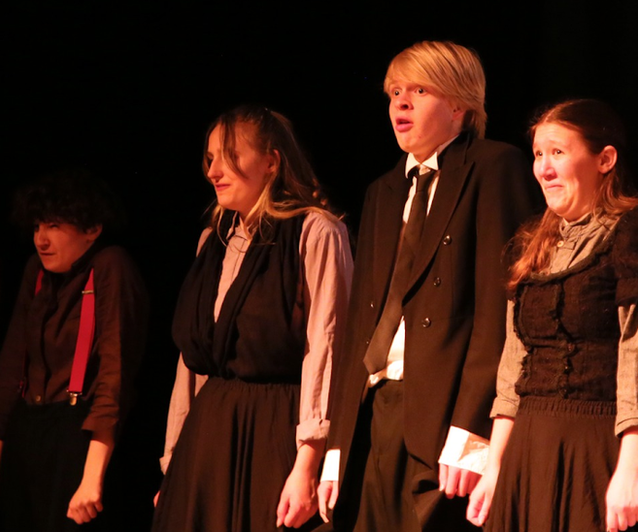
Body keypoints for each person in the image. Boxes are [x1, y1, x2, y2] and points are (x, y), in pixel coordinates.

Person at [318, 41, 538, 532]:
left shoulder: (493, 167)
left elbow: (499, 311)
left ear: (459, 104)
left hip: (442, 419)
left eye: (419, 89)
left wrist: (471, 432)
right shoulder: (383, 190)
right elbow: (360, 324)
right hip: (373, 414)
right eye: (395, 91)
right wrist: (337, 449)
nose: (401, 102)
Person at [467, 99, 638, 532]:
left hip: (599, 446)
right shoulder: (531, 243)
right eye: (538, 154)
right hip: (529, 449)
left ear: (605, 159)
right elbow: (514, 364)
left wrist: (631, 470)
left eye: (558, 152)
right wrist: (494, 467)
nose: (544, 169)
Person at [152, 105, 353, 531]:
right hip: (206, 437)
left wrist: (307, 463)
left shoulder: (316, 232)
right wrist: (174, 459)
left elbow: (327, 347)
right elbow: (191, 365)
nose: (214, 171)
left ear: (272, 162)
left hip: (273, 431)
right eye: (210, 158)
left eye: (230, 156)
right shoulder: (214, 240)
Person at [0, 169, 149, 531]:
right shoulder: (35, 271)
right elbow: (11, 362)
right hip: (27, 428)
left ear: (92, 230)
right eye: (37, 226)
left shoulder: (110, 265)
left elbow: (114, 377)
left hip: (78, 434)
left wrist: (92, 476)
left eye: (53, 226)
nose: (41, 239)